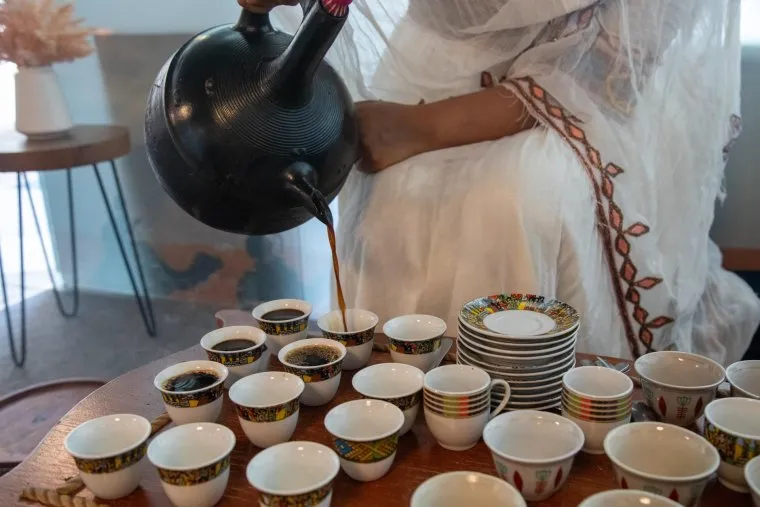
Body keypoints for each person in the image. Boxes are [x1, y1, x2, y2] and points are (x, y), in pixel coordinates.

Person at [239, 0, 760, 363]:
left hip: (588, 78)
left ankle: (524, 421)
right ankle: (393, 405)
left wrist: (419, 127)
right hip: (436, 56)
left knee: (516, 197)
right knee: (388, 196)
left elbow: (611, 71)